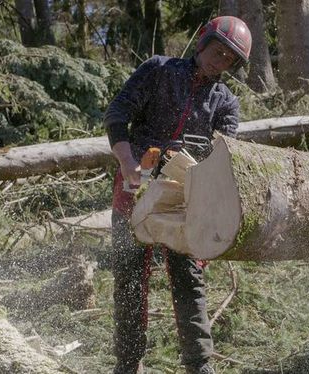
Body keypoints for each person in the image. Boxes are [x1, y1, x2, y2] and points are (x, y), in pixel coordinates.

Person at [104, 16, 252, 374]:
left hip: (188, 194)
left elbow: (225, 153)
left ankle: (199, 366)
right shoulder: (159, 71)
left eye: (228, 59)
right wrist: (127, 162)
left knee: (189, 278)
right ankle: (127, 363)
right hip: (135, 183)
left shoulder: (225, 103)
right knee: (129, 278)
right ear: (203, 42)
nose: (219, 61)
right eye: (217, 52)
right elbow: (116, 115)